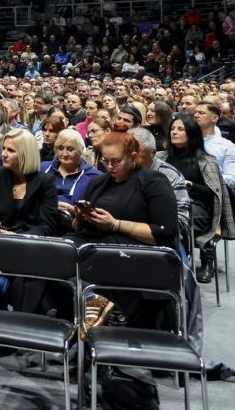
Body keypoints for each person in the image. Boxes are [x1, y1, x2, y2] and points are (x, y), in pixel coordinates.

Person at [68, 132, 179, 327]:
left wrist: (115, 224)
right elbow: (78, 228)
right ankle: (85, 307)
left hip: (137, 248)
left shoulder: (154, 182)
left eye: (116, 161)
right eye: (105, 161)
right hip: (96, 241)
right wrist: (81, 217)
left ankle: (101, 304)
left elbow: (165, 233)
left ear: (133, 157)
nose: (110, 167)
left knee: (103, 251)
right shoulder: (98, 183)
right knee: (63, 249)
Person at [159, 114, 234, 283]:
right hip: (166, 203)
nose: (174, 132)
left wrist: (190, 185)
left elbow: (214, 194)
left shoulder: (206, 161)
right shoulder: (160, 157)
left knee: (176, 218)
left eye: (180, 129)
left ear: (192, 134)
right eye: (173, 128)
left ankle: (193, 261)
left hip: (198, 208)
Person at [0, 127, 59, 238]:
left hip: (32, 242)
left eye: (10, 150)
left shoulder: (45, 182)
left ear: (26, 154)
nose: (4, 154)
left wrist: (18, 238)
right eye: (3, 148)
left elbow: (48, 225)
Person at [40, 128, 102, 216]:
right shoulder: (42, 168)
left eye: (70, 149)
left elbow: (97, 214)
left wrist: (74, 211)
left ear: (80, 150)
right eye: (60, 148)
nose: (64, 154)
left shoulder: (93, 177)